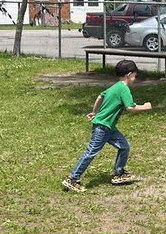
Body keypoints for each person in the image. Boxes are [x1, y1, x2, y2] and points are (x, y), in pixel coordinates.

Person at [62, 59, 152, 192]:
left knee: (124, 146)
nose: (135, 77)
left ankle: (118, 173)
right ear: (129, 74)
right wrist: (145, 107)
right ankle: (72, 178)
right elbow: (130, 107)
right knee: (91, 152)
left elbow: (100, 96)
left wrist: (95, 112)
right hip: (102, 128)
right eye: (135, 75)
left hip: (108, 127)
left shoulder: (115, 87)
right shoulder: (123, 89)